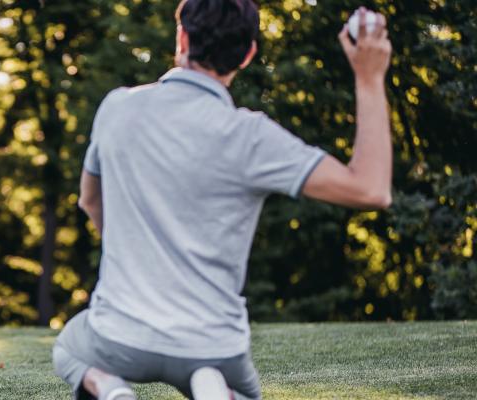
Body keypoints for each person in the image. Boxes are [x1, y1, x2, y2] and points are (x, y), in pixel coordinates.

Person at [53, 1, 392, 399]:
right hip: (213, 344)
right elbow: (371, 189)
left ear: (182, 38)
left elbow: (90, 200)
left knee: (69, 350)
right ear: (248, 54)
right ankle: (216, 387)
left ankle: (109, 388)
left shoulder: (117, 108)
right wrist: (369, 78)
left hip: (120, 336)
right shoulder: (250, 135)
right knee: (241, 392)